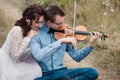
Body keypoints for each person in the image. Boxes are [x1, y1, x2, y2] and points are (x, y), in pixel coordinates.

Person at [30, 4, 101, 80]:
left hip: (62, 72)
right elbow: (38, 56)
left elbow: (77, 57)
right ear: (48, 22)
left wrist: (90, 43)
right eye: (58, 23)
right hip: (46, 75)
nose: (62, 25)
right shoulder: (36, 34)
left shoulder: (65, 34)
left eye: (63, 22)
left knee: (92, 72)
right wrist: (60, 41)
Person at [0, 4, 45, 80]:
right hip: (5, 61)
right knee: (35, 71)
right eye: (37, 22)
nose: (40, 25)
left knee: (33, 56)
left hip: (15, 57)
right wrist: (28, 38)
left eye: (41, 22)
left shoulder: (29, 29)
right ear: (28, 19)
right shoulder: (17, 30)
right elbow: (15, 57)